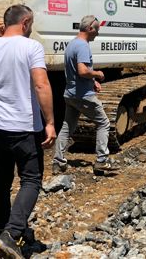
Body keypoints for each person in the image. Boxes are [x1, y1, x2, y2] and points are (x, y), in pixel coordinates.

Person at [0, 4, 56, 259]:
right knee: (31, 179)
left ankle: (1, 227)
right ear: (25, 22)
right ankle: (11, 235)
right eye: (31, 23)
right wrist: (50, 122)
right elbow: (41, 83)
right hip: (22, 126)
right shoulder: (30, 46)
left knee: (2, 177)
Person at [53, 15, 117, 176]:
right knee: (104, 123)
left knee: (67, 126)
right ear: (90, 28)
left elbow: (76, 71)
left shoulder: (72, 44)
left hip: (70, 93)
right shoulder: (82, 46)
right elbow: (82, 70)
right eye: (97, 30)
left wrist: (92, 80)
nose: (98, 34)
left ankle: (58, 162)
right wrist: (98, 74)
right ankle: (102, 161)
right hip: (83, 95)